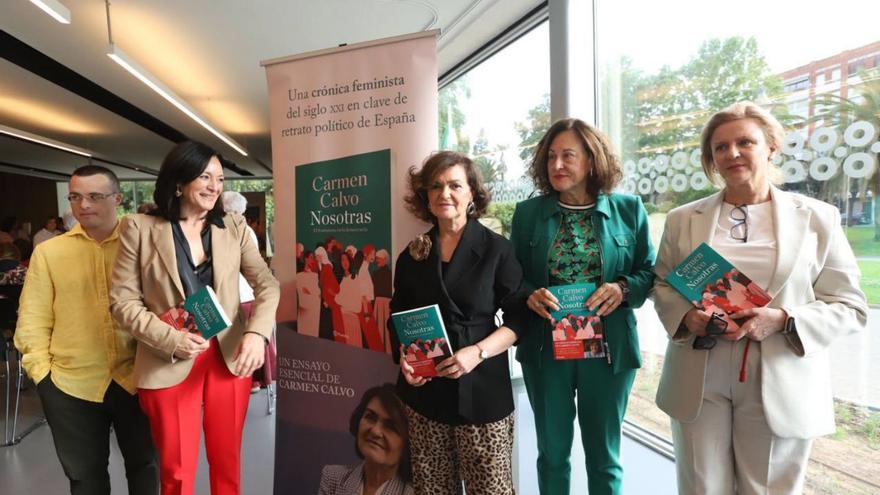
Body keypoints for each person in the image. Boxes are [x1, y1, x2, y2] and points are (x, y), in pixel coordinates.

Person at [652, 102, 868, 495]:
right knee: (701, 487)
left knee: (768, 489)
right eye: (720, 147)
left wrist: (784, 317)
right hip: (700, 370)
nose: (731, 153)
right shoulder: (683, 218)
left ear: (770, 147)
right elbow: (663, 283)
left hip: (781, 370)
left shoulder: (819, 217)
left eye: (744, 142)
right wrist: (687, 317)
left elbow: (849, 305)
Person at [110, 141, 280, 495]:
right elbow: (123, 302)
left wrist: (257, 334)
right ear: (178, 181)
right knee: (177, 471)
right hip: (167, 357)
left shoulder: (232, 226)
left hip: (228, 357)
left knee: (228, 463)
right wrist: (171, 338)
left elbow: (267, 284)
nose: (214, 186)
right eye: (204, 176)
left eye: (219, 178)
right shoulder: (139, 227)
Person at [510, 118, 656, 495]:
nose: (557, 165)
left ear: (592, 160)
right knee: (553, 454)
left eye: (568, 156)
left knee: (604, 457)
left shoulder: (629, 209)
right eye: (551, 157)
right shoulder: (528, 214)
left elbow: (649, 271)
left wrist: (622, 289)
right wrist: (529, 293)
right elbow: (510, 277)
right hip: (546, 349)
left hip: (609, 352)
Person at [14, 165, 158, 494]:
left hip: (138, 378)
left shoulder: (144, 245)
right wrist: (42, 374)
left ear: (118, 199)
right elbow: (33, 316)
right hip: (70, 383)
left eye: (95, 196)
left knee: (146, 467)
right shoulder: (49, 252)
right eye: (76, 197)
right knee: (84, 478)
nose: (84, 205)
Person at [390, 151, 527, 495]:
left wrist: (477, 352)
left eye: (454, 185)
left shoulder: (497, 250)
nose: (444, 193)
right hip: (426, 393)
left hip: (482, 391)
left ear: (472, 194)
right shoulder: (412, 254)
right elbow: (398, 315)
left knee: (490, 490)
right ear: (425, 195)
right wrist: (405, 358)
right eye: (435, 186)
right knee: (432, 489)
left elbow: (520, 318)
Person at [222, 190, 276, 393]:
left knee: (243, 338)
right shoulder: (237, 228)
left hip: (242, 293)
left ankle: (251, 379)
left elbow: (257, 273)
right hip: (240, 293)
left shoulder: (241, 230)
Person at [319, 384, 414, 495]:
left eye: (391, 427)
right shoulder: (333, 477)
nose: (375, 431)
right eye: (370, 417)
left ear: (407, 443)